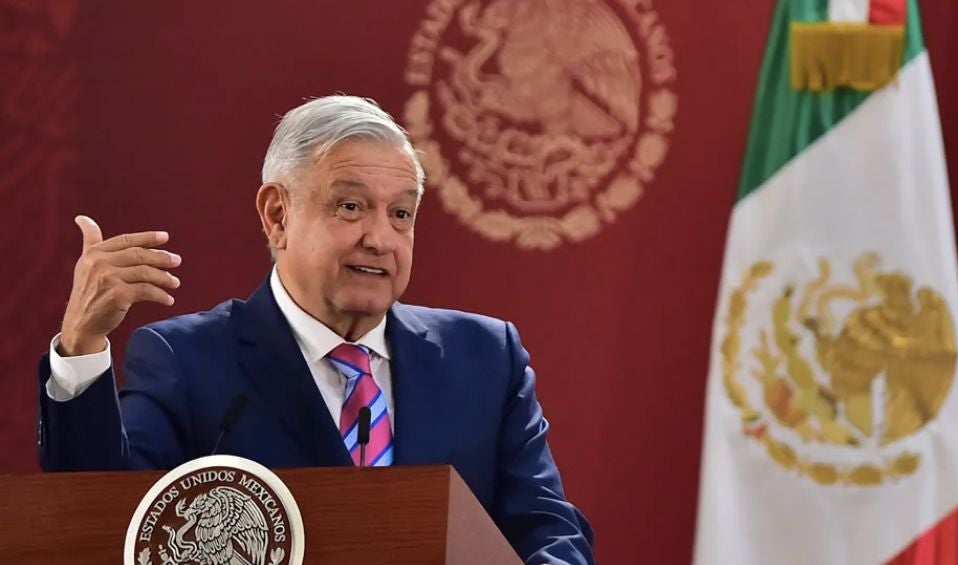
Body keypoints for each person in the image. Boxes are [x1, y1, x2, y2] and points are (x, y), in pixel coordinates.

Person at [37, 95, 594, 564]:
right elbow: (105, 524)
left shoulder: (486, 358)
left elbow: (550, 532)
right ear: (277, 215)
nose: (380, 239)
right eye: (350, 207)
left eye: (401, 214)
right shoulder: (188, 361)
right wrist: (81, 347)